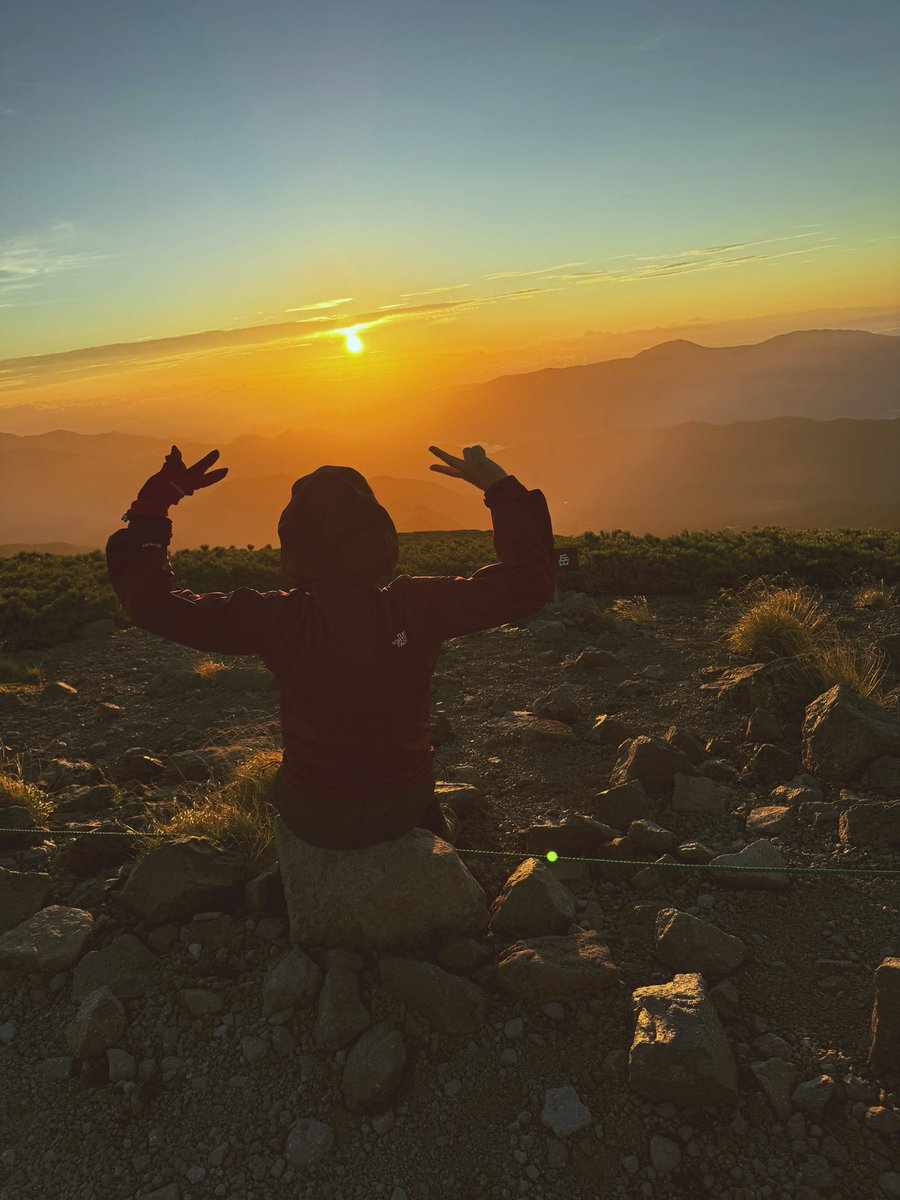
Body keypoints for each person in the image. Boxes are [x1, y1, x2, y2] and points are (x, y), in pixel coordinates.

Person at [106, 442, 557, 850]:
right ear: (382, 537)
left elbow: (152, 604)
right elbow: (526, 584)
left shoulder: (275, 618)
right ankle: (430, 833)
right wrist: (498, 487)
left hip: (314, 815)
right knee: (410, 781)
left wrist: (154, 505)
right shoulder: (416, 607)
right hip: (404, 804)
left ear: (291, 547)